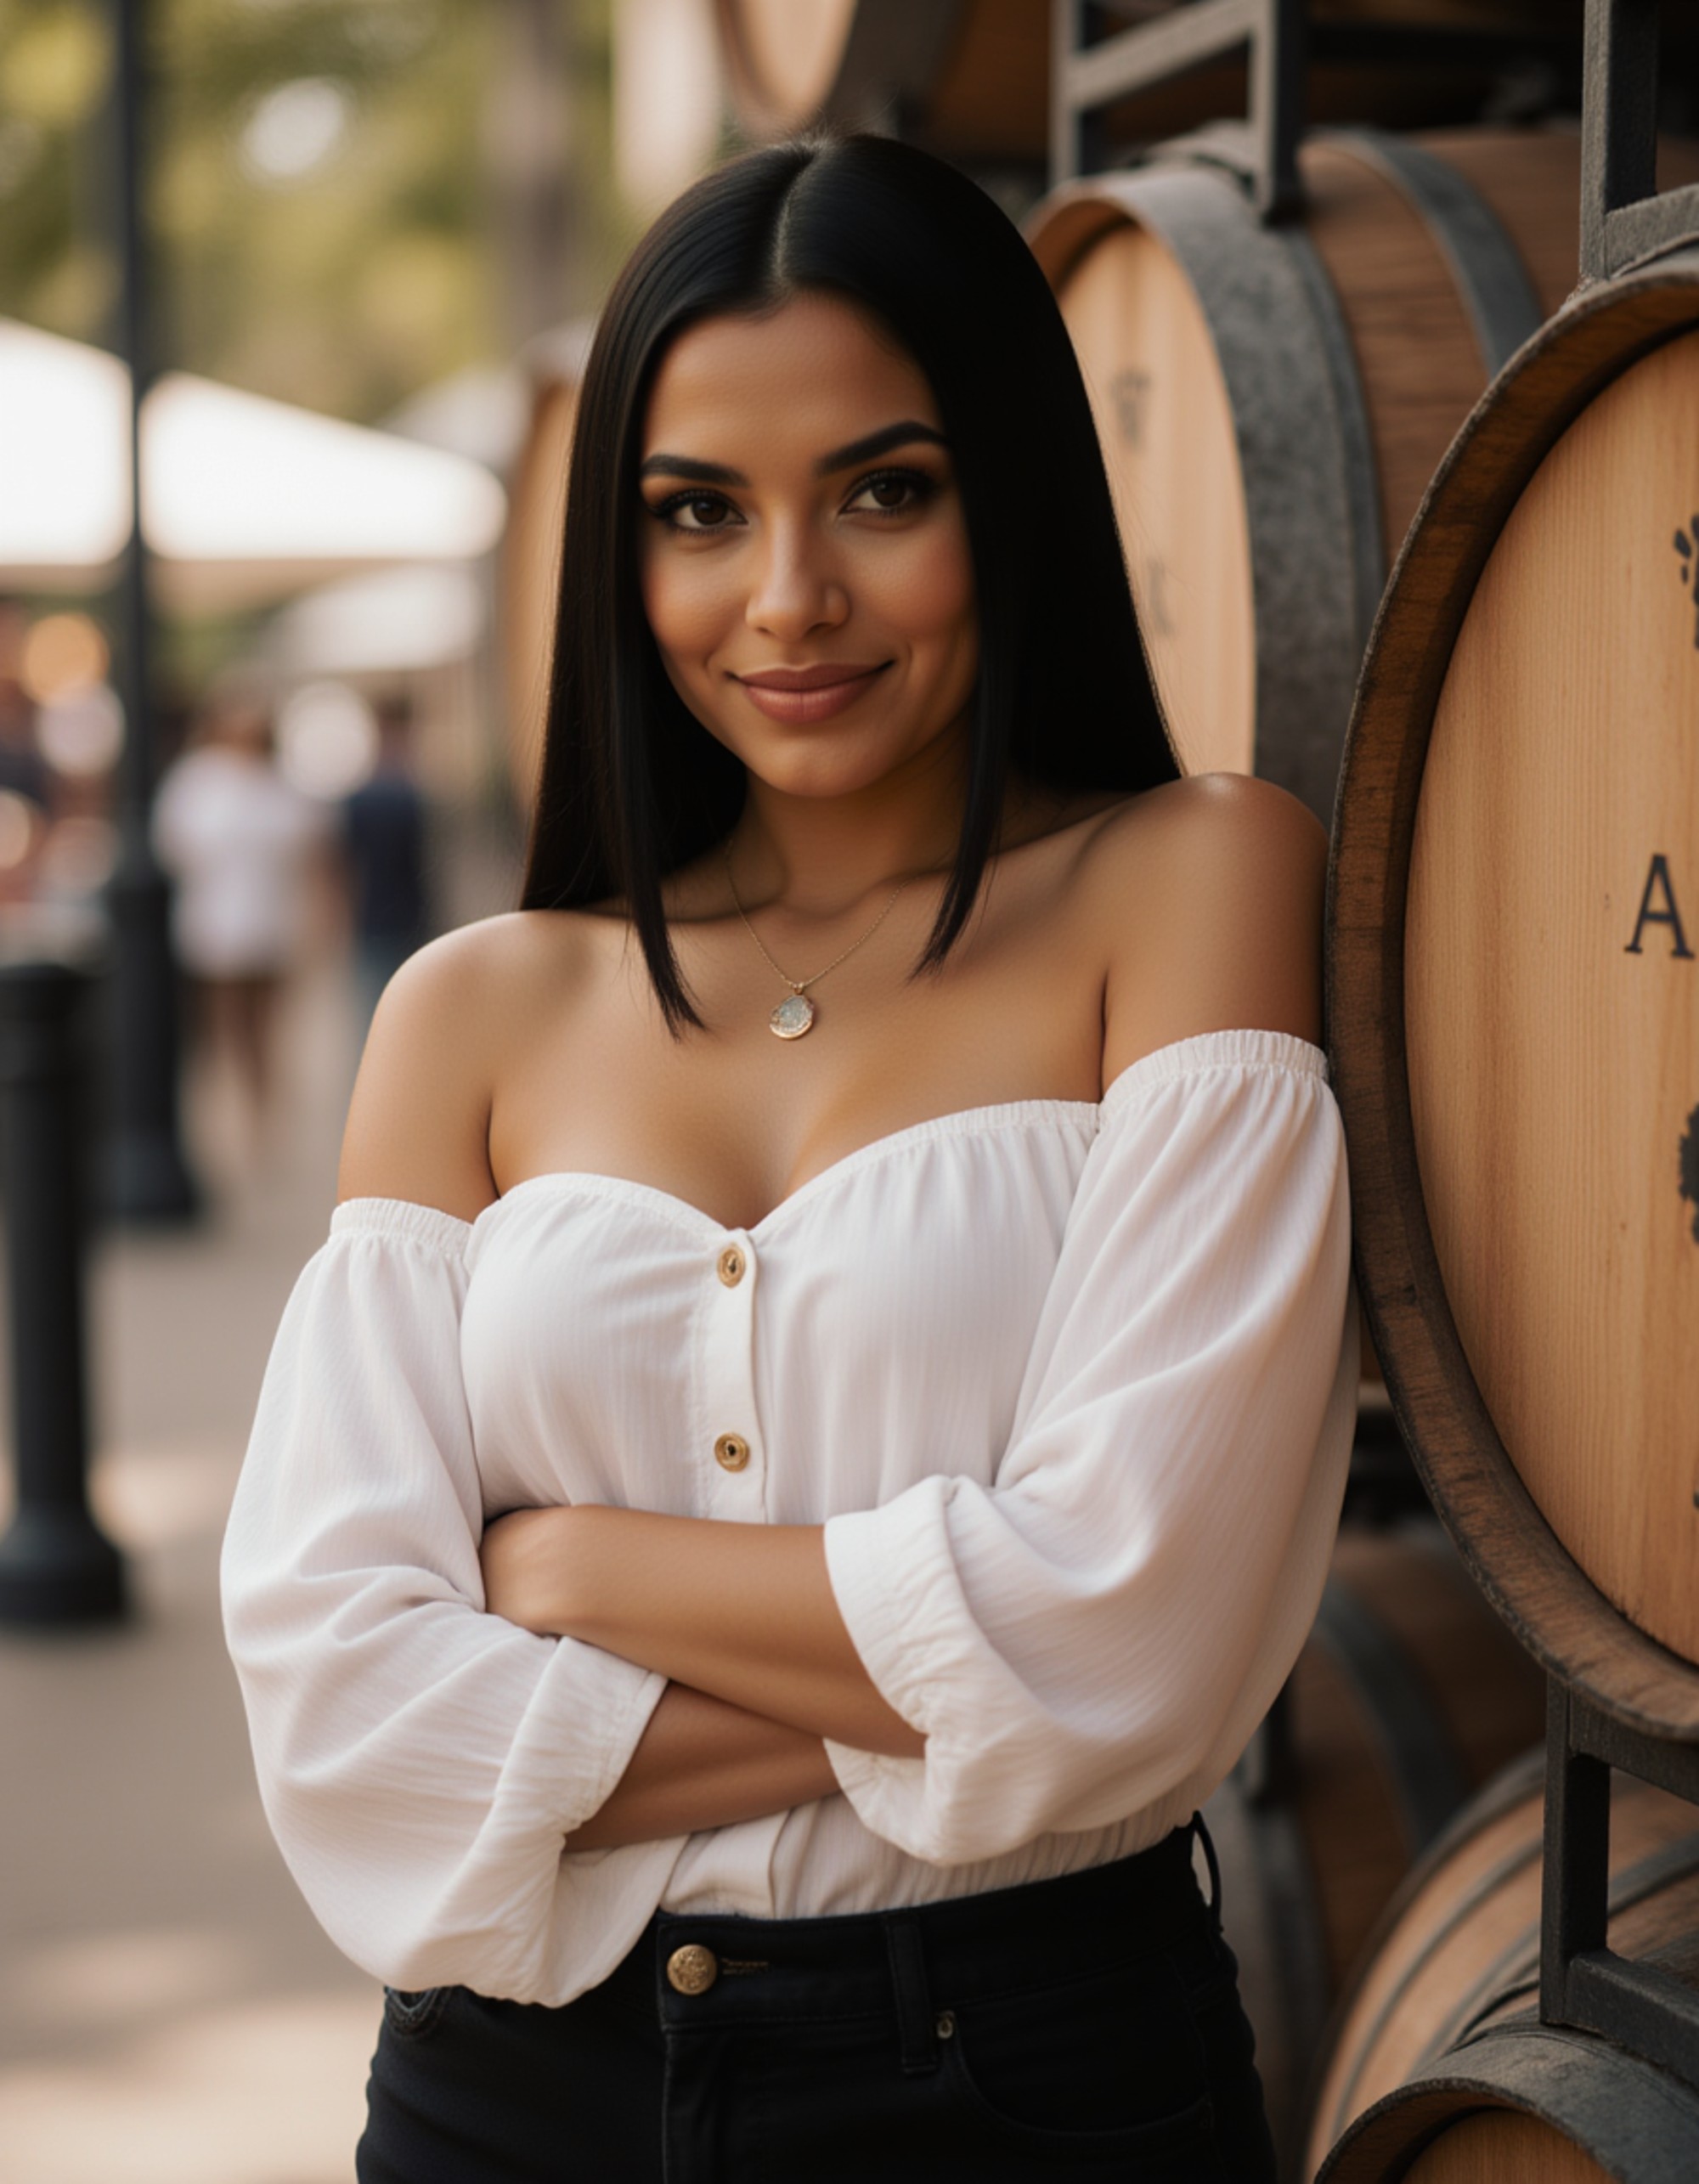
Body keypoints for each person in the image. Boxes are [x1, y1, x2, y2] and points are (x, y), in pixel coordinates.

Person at [223, 133, 1355, 2182]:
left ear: (1001, 491)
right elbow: (340, 1716)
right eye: (697, 514)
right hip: (508, 2099)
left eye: (883, 491)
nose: (785, 598)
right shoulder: (471, 1007)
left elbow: (1148, 1640)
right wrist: (970, 1694)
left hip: (1024, 2085)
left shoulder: (1187, 879)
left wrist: (565, 1572)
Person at [152, 691, 327, 1143]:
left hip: (272, 927)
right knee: (227, 1028)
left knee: (267, 1029)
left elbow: (313, 856)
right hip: (215, 931)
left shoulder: (279, 784)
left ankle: (263, 1115)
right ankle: (234, 1112)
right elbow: (176, 850)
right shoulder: (198, 781)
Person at [341, 693, 430, 1036]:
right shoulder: (408, 792)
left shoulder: (369, 795)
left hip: (385, 914)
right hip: (391, 913)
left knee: (379, 1008)